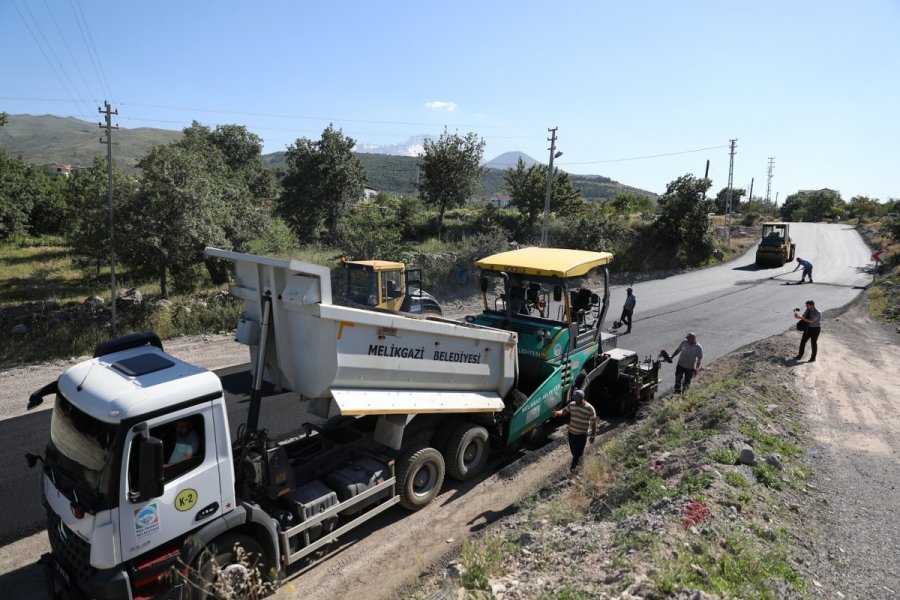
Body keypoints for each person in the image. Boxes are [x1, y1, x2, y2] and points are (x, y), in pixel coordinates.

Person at [553, 389, 597, 471]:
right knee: (574, 452)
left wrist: (593, 435)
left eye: (576, 398)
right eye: (574, 398)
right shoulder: (572, 404)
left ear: (581, 398)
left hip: (582, 434)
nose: (574, 400)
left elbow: (594, 423)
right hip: (571, 433)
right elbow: (564, 411)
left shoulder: (590, 408)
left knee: (578, 453)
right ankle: (580, 466)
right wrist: (557, 413)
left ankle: (573, 470)